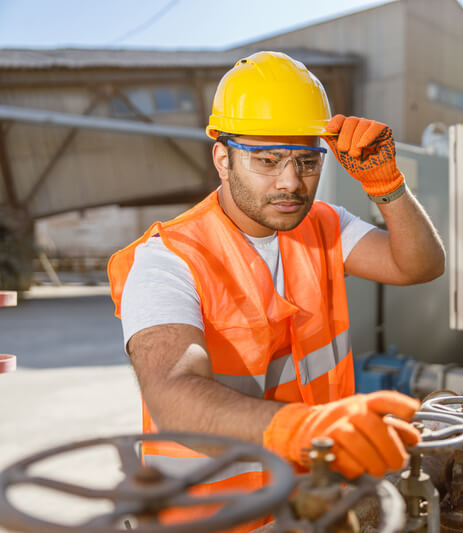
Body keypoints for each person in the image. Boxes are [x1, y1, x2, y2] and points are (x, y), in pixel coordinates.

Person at [107, 51, 445, 529]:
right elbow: (171, 394)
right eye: (267, 160)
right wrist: (304, 429)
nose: (291, 182)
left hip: (315, 505)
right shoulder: (168, 258)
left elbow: (421, 265)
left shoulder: (324, 225)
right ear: (222, 158)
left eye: (307, 161)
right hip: (216, 520)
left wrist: (386, 186)